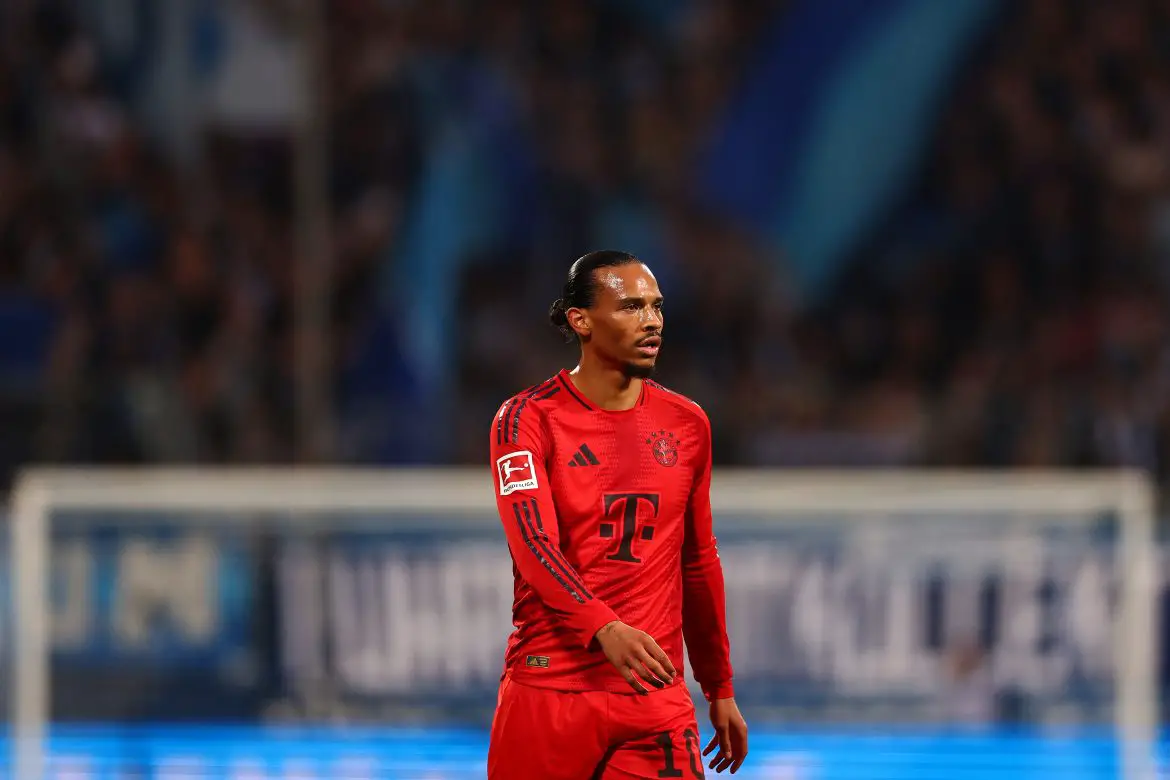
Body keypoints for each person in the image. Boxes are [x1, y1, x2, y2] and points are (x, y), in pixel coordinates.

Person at [487, 251, 748, 778]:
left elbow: (697, 561)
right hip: (551, 691)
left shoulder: (687, 423)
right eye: (631, 306)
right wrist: (603, 626)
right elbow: (534, 546)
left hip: (654, 698)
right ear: (581, 320)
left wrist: (718, 686)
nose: (652, 321)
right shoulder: (525, 420)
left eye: (656, 306)